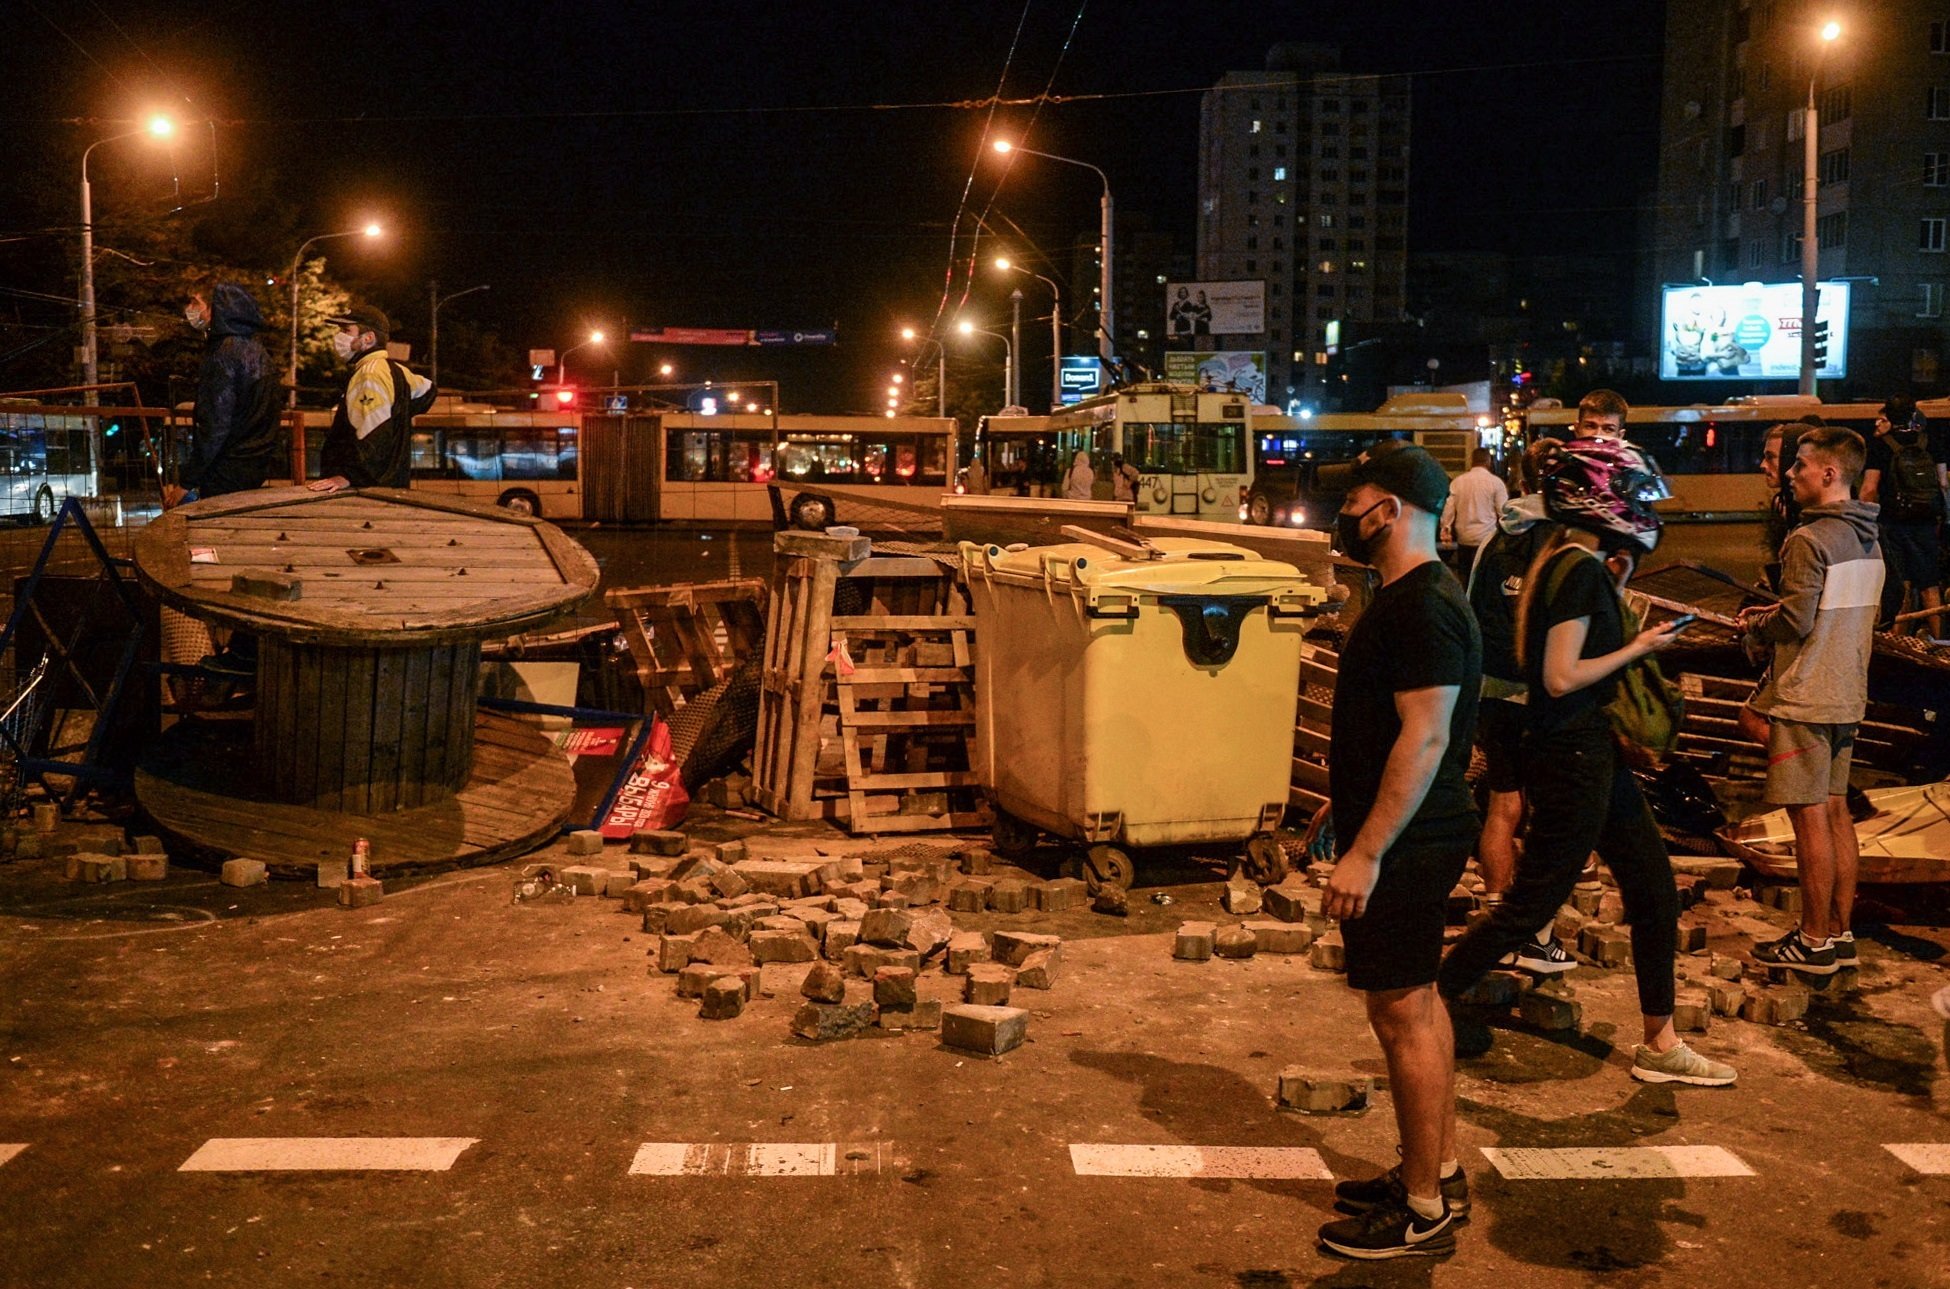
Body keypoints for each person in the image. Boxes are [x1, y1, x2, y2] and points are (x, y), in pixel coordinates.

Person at [1437, 437, 1738, 1088]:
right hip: (1571, 749)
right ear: (1599, 497)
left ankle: (1661, 1042)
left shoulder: (1571, 559)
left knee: (1653, 886)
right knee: (1531, 901)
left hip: (1586, 747)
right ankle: (1427, 1004)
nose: (1640, 509)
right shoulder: (1575, 568)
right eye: (1631, 495)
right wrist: (1643, 645)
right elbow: (1562, 672)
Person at [1308, 440, 1479, 1260]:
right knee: (1421, 1002)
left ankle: (1421, 1212)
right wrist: (1340, 816)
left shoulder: (1422, 605)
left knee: (1399, 1012)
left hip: (1410, 840)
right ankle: (1435, 1168)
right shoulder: (1411, 595)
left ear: (1395, 510)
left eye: (1358, 498)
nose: (1347, 513)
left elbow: (1428, 733)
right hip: (1410, 829)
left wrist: (1367, 850)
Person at [1740, 426, 1882, 975]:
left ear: (1828, 474)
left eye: (1799, 465)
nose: (1791, 474)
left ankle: (1813, 939)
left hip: (1806, 696)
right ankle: (1840, 934)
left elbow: (1796, 619)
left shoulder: (1809, 540)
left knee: (1808, 820)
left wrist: (1756, 625)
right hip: (1847, 691)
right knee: (1836, 810)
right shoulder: (1869, 537)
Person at [1463, 441, 1574, 974]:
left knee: (1502, 808)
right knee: (1546, 816)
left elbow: (1470, 611)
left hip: (1492, 693)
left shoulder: (1494, 539)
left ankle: (1495, 921)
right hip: (1544, 699)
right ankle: (1536, 934)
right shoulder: (1565, 542)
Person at [170, 282, 281, 507]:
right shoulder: (257, 351)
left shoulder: (223, 355)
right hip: (254, 466)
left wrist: (186, 481)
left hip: (226, 470)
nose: (190, 308)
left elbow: (215, 424)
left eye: (195, 303)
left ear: (216, 309)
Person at [308, 304, 436, 492]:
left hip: (366, 492)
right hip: (391, 486)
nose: (339, 337)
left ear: (368, 338)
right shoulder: (397, 371)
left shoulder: (369, 374)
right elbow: (428, 391)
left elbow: (374, 433)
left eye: (346, 330)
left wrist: (348, 476)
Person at [1860, 396, 1944, 636]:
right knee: (1929, 584)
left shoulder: (1881, 446)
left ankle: (1899, 641)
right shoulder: (1929, 442)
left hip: (1892, 523)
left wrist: (1865, 521)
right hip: (1927, 523)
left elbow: (1869, 489)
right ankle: (1941, 643)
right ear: (1912, 414)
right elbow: (1943, 484)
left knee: (1903, 583)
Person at [1439, 447, 1509, 578]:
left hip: (1464, 538)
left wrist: (1445, 529)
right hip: (1487, 538)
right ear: (1488, 461)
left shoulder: (1457, 482)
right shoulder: (1496, 483)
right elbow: (1503, 511)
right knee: (1484, 577)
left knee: (1465, 575)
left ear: (1472, 461)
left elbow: (1448, 509)